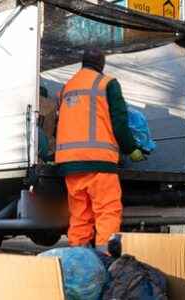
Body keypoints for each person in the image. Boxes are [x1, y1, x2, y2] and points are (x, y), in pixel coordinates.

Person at [55, 47, 145, 254]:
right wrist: (132, 149)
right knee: (107, 211)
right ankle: (106, 256)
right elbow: (120, 123)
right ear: (102, 64)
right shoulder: (108, 84)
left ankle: (78, 260)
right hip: (100, 162)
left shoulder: (67, 87)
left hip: (70, 163)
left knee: (79, 215)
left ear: (82, 62)